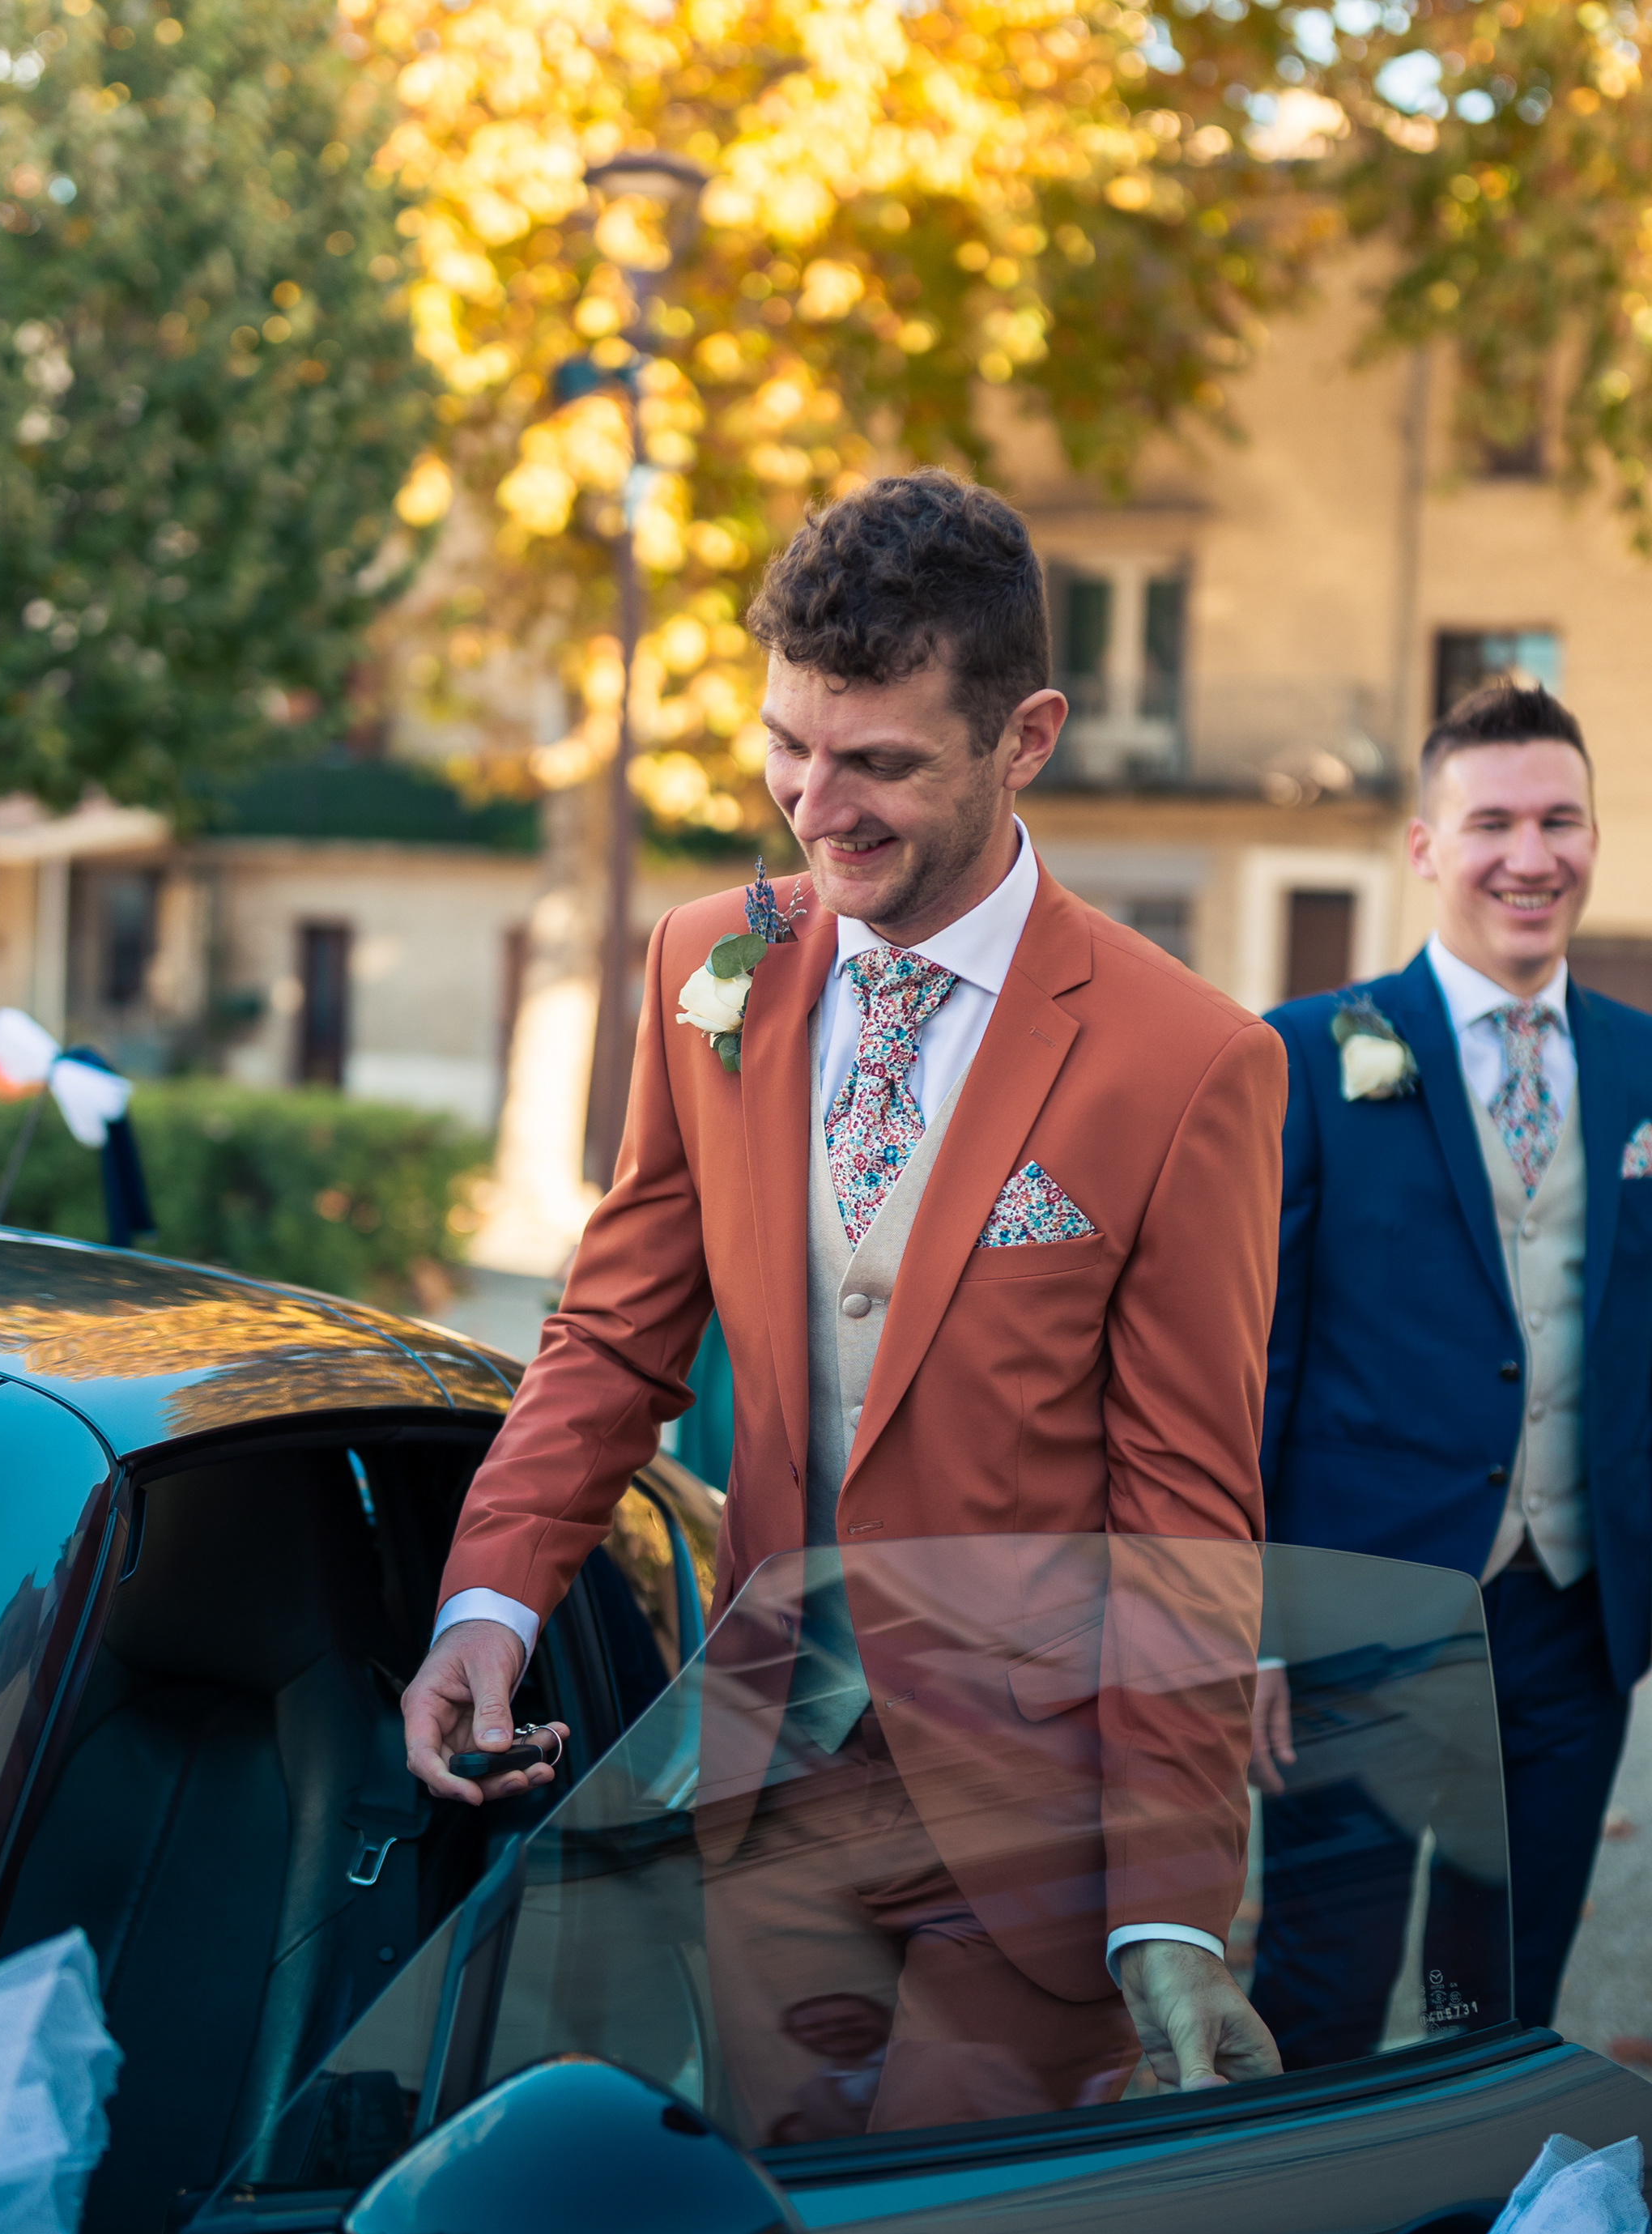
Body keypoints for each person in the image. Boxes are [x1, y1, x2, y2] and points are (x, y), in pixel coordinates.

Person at [398, 468, 1289, 2133]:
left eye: (878, 762)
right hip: (768, 1779)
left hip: (1032, 1829)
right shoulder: (707, 966)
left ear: (1026, 738)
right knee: (768, 2222)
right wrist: (488, 1607)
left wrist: (1174, 1901)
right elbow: (613, 1336)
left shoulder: (1188, 1061)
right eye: (786, 748)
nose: (816, 808)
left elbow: (1187, 1512)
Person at [1251, 679, 1652, 2045]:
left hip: (1570, 1626)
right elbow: (1258, 1362)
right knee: (1320, 1992)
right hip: (1356, 1620)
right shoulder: (1310, 1054)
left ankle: (1470, 2191)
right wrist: (1247, 1623)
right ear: (1426, 847)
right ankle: (1316, 2198)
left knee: (1497, 2003)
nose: (1531, 857)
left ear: (1594, 836)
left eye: (1560, 821)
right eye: (1492, 824)